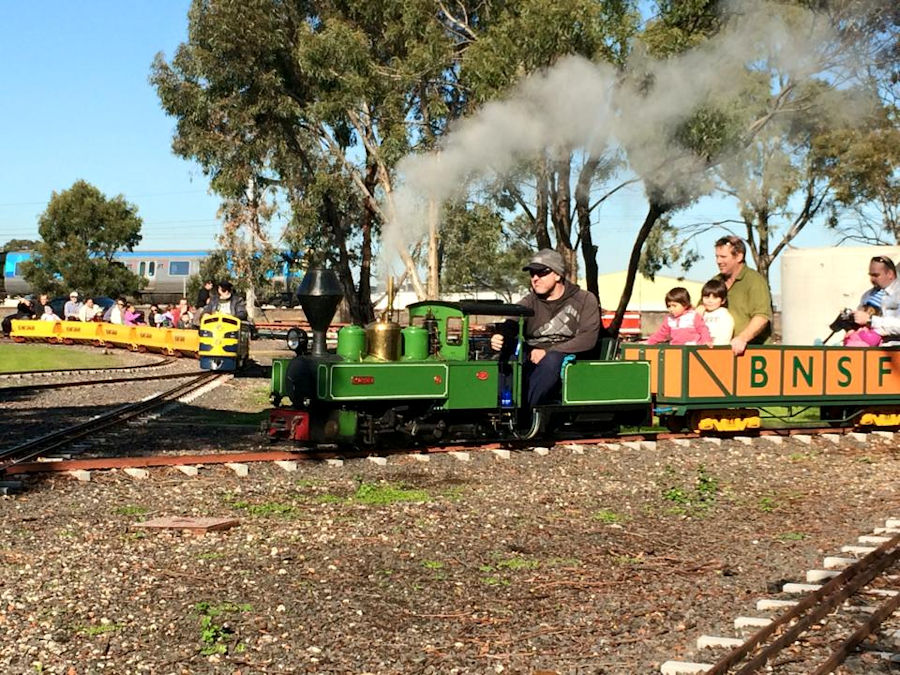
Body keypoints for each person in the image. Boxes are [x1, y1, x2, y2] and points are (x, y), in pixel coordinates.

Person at [490, 248, 600, 407]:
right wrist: (501, 337)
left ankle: (527, 410)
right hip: (532, 354)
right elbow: (511, 322)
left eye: (541, 273)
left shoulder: (585, 299)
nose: (535, 278)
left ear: (557, 274)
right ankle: (502, 408)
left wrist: (549, 351)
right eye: (532, 274)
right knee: (509, 355)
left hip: (570, 356)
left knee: (552, 360)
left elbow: (588, 339)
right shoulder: (530, 301)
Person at [712, 235, 772, 355]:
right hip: (719, 353)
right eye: (717, 257)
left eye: (723, 257)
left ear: (739, 256)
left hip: (751, 354)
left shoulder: (754, 281)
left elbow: (762, 316)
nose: (719, 261)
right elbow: (701, 309)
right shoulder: (715, 281)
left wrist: (742, 338)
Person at [853, 255, 900, 345]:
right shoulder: (867, 295)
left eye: (876, 275)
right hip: (870, 350)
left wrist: (871, 320)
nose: (872, 279)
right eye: (870, 275)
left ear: (890, 274)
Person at [645, 287, 712, 346]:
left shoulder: (693, 316)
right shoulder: (669, 319)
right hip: (676, 349)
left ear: (685, 304)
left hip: (692, 349)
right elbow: (661, 333)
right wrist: (649, 342)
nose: (671, 309)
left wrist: (706, 341)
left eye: (674, 306)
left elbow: (703, 330)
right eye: (669, 306)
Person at [700, 278, 734, 346]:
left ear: (723, 300)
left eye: (715, 298)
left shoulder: (724, 315)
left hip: (714, 351)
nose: (710, 301)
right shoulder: (700, 312)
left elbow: (724, 338)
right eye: (706, 297)